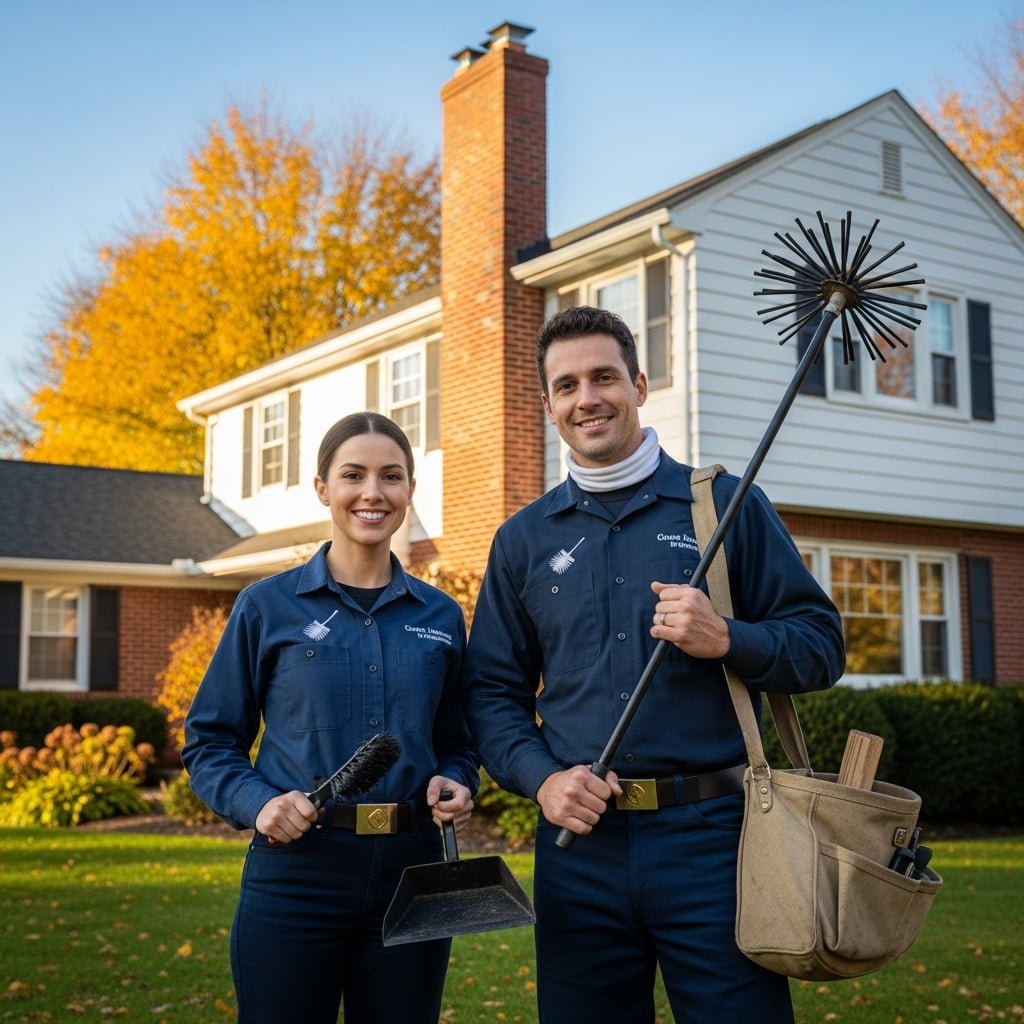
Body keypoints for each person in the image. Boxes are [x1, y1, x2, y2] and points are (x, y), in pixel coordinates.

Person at [462, 306, 845, 1024]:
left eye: (604, 376)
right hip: (581, 852)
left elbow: (822, 645)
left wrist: (728, 637)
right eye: (568, 385)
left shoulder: (724, 508)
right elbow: (490, 694)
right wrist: (542, 781)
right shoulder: (521, 540)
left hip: (717, 843)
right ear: (548, 407)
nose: (589, 398)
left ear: (639, 383)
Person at [182, 411, 477, 1024]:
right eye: (354, 475)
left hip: (412, 873)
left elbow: (458, 740)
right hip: (296, 875)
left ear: (409, 492)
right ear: (322, 488)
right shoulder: (266, 607)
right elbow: (210, 742)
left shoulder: (442, 616)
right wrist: (258, 802)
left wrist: (458, 778)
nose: (373, 492)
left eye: (391, 476)